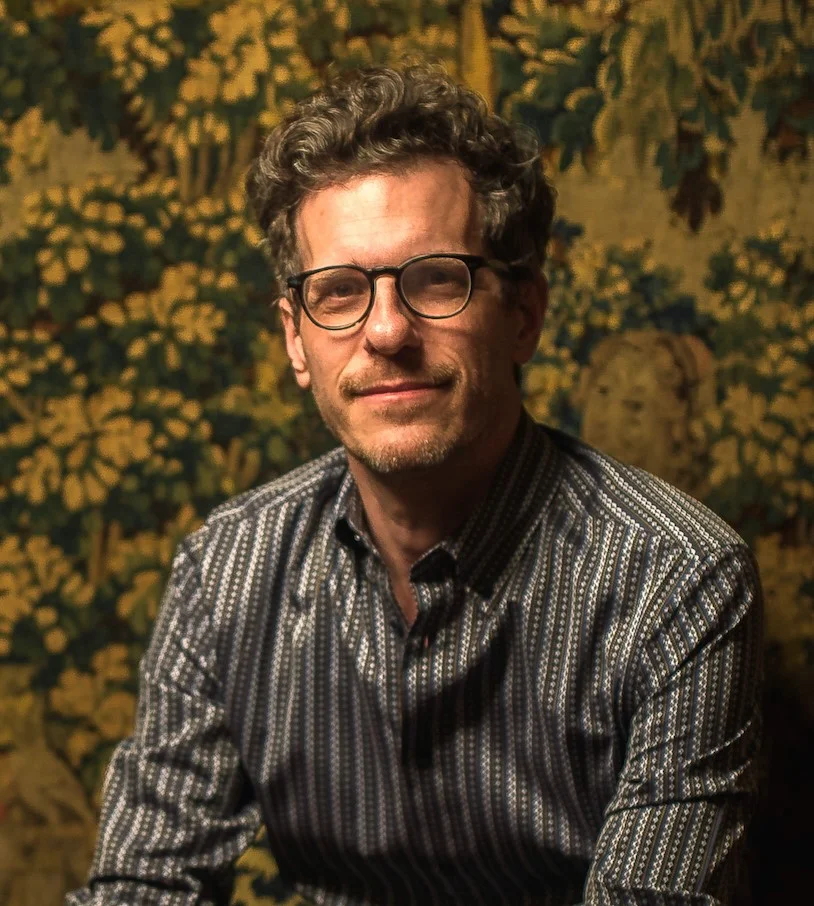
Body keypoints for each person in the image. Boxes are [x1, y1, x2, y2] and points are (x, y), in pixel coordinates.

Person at [66, 64, 763, 906]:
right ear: (296, 341)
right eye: (339, 292)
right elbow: (144, 888)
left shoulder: (678, 581)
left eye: (437, 278)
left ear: (525, 312)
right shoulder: (227, 570)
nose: (387, 332)